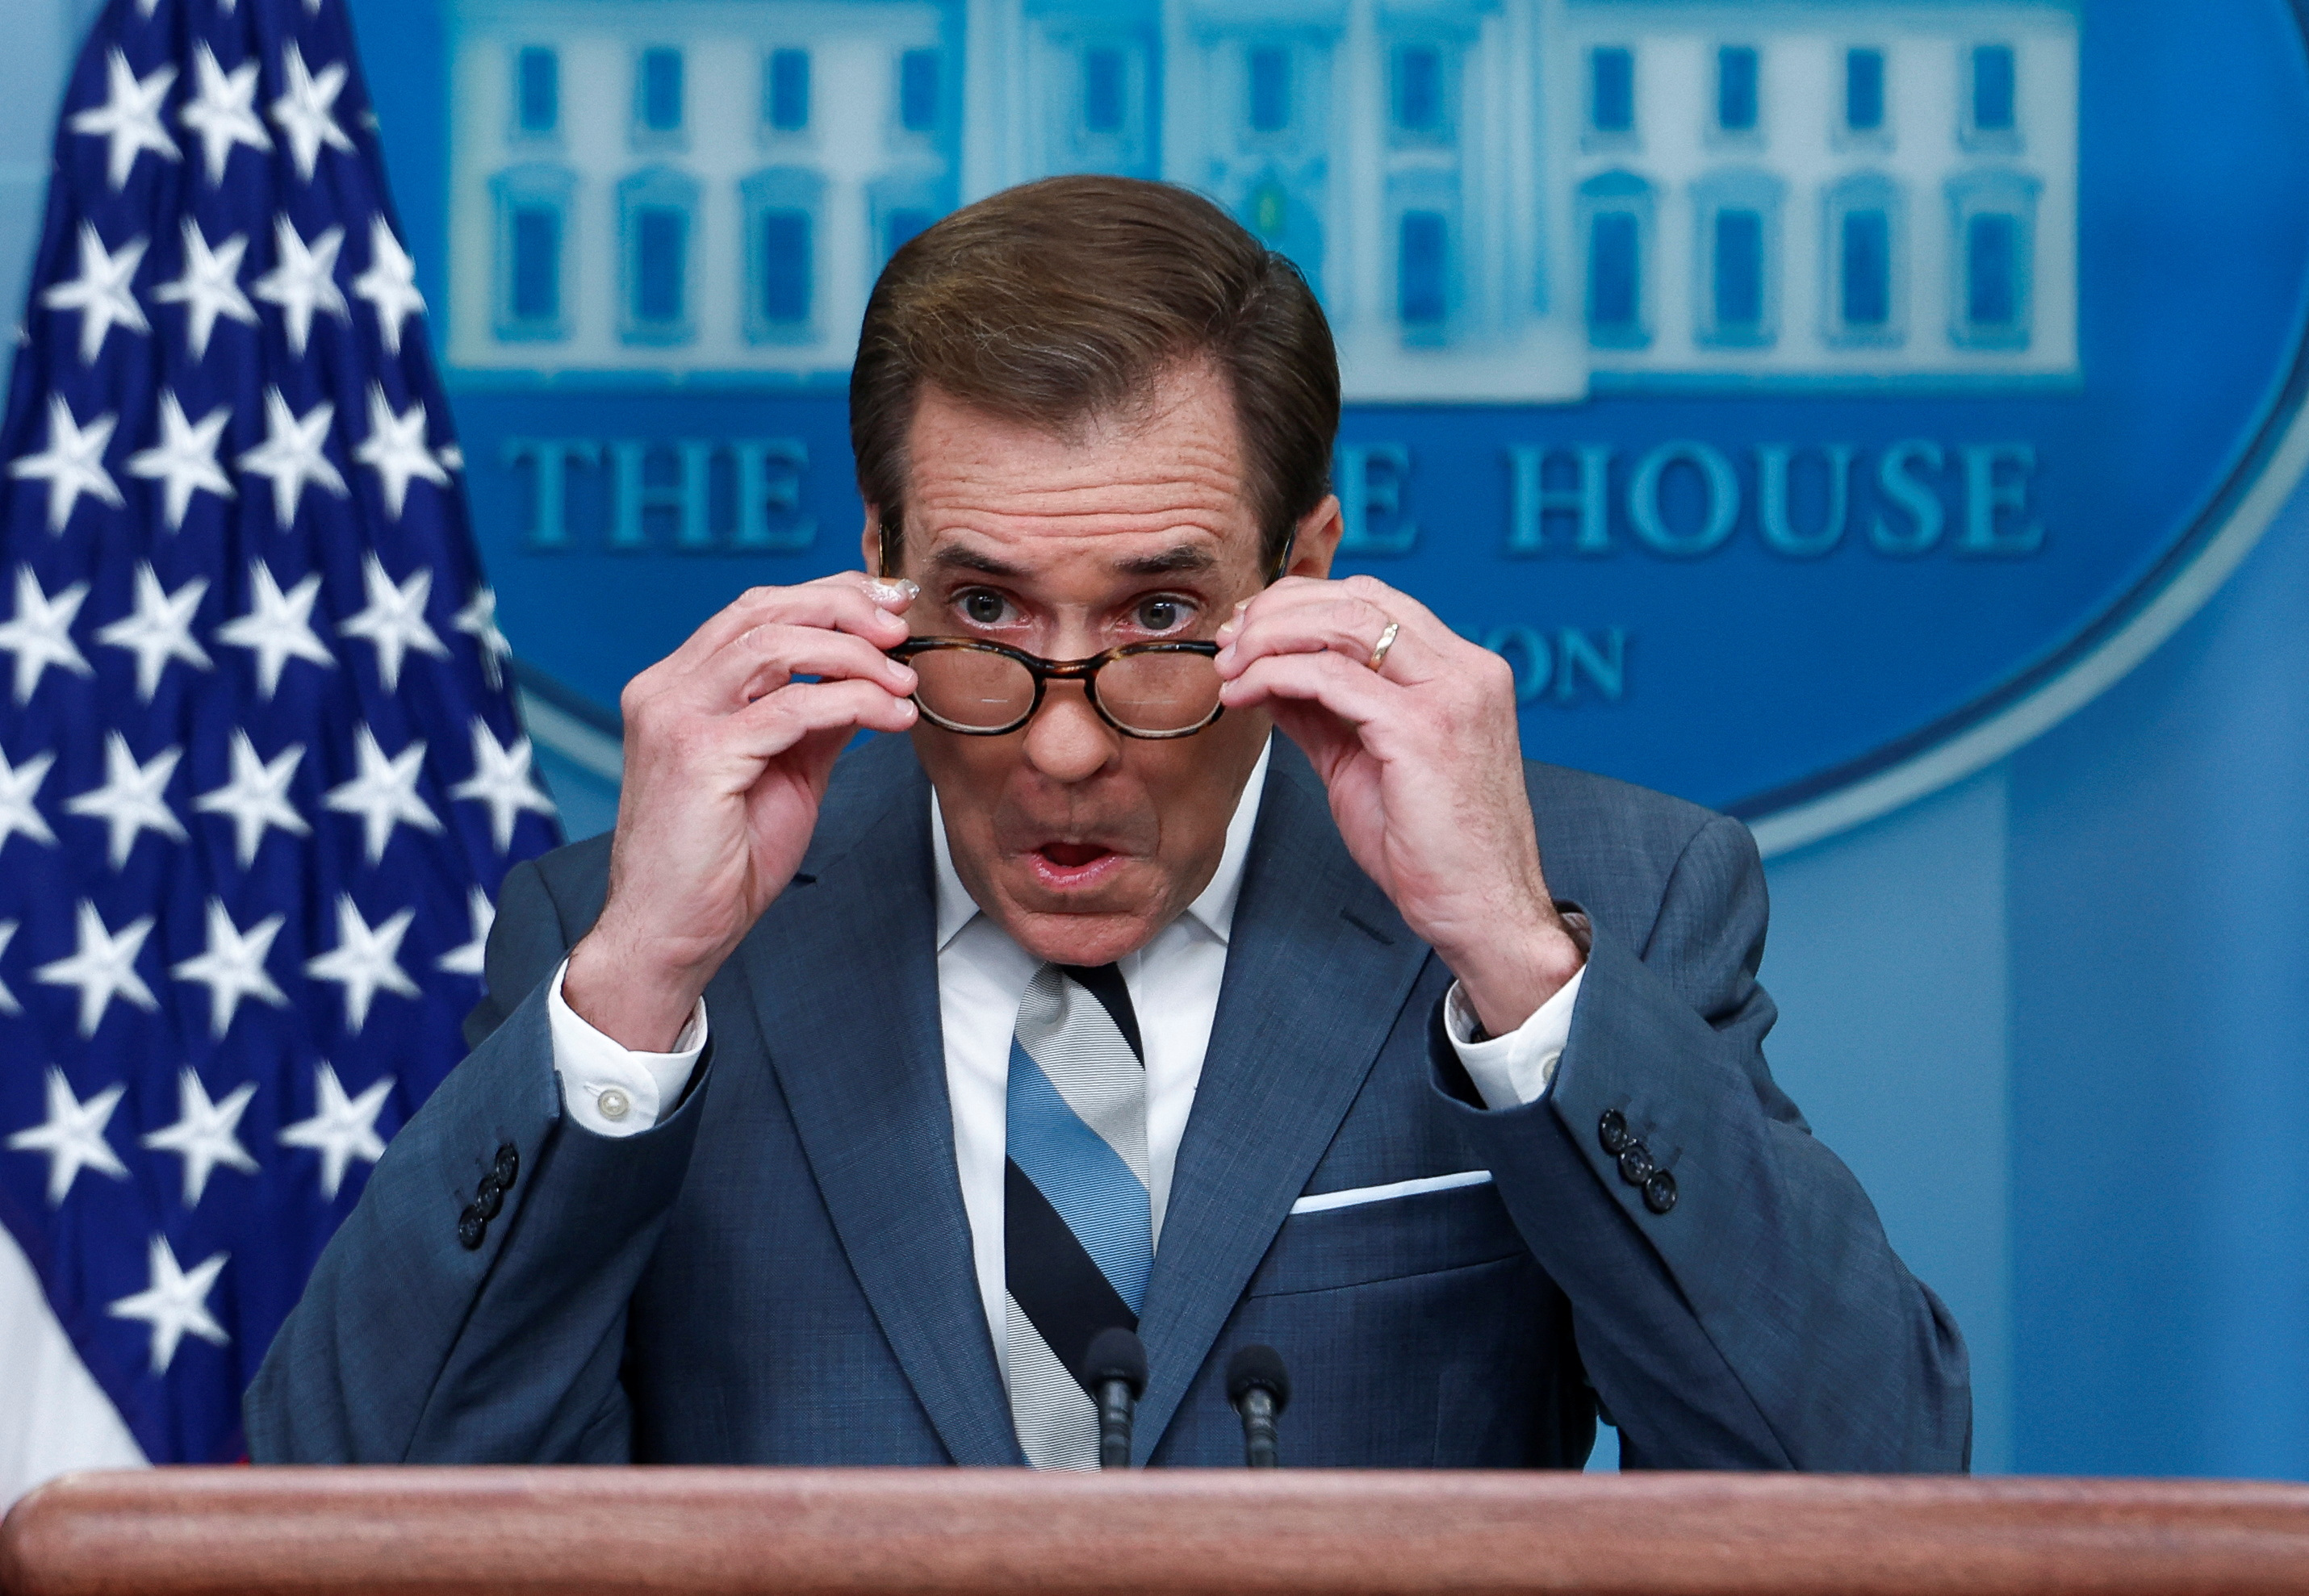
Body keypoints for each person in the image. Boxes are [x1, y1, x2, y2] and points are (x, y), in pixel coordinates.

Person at [246, 175, 1968, 1471]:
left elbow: (1863, 1477)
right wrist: (630, 995)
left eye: (1158, 616)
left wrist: (1519, 970)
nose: (1064, 743)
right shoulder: (636, 946)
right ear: (879, 565)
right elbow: (350, 1500)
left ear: (1303, 571)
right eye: (986, 608)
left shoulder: (1603, 903)